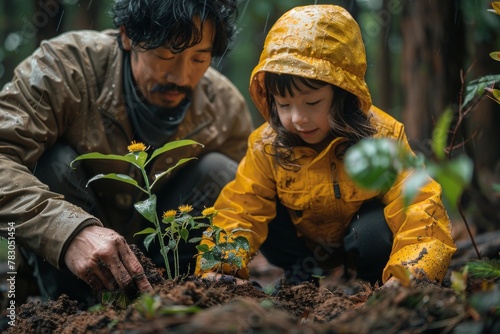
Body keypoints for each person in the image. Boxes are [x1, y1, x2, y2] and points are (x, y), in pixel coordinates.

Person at [0, 0, 252, 306]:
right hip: (69, 261)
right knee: (54, 163)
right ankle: (76, 310)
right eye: (165, 55)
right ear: (127, 37)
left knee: (223, 173)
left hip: (161, 262)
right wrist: (67, 231)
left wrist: (224, 263)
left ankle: (182, 299)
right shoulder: (62, 69)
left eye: (199, 59)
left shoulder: (225, 105)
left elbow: (247, 203)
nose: (181, 77)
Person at [195, 4, 457, 288]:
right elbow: (240, 209)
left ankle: (374, 282)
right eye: (284, 105)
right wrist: (220, 269)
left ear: (343, 93)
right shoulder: (266, 145)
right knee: (258, 210)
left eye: (312, 103)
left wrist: (413, 274)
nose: (298, 118)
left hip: (360, 243)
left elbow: (418, 203)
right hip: (301, 247)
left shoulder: (383, 136)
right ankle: (301, 282)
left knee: (373, 232)